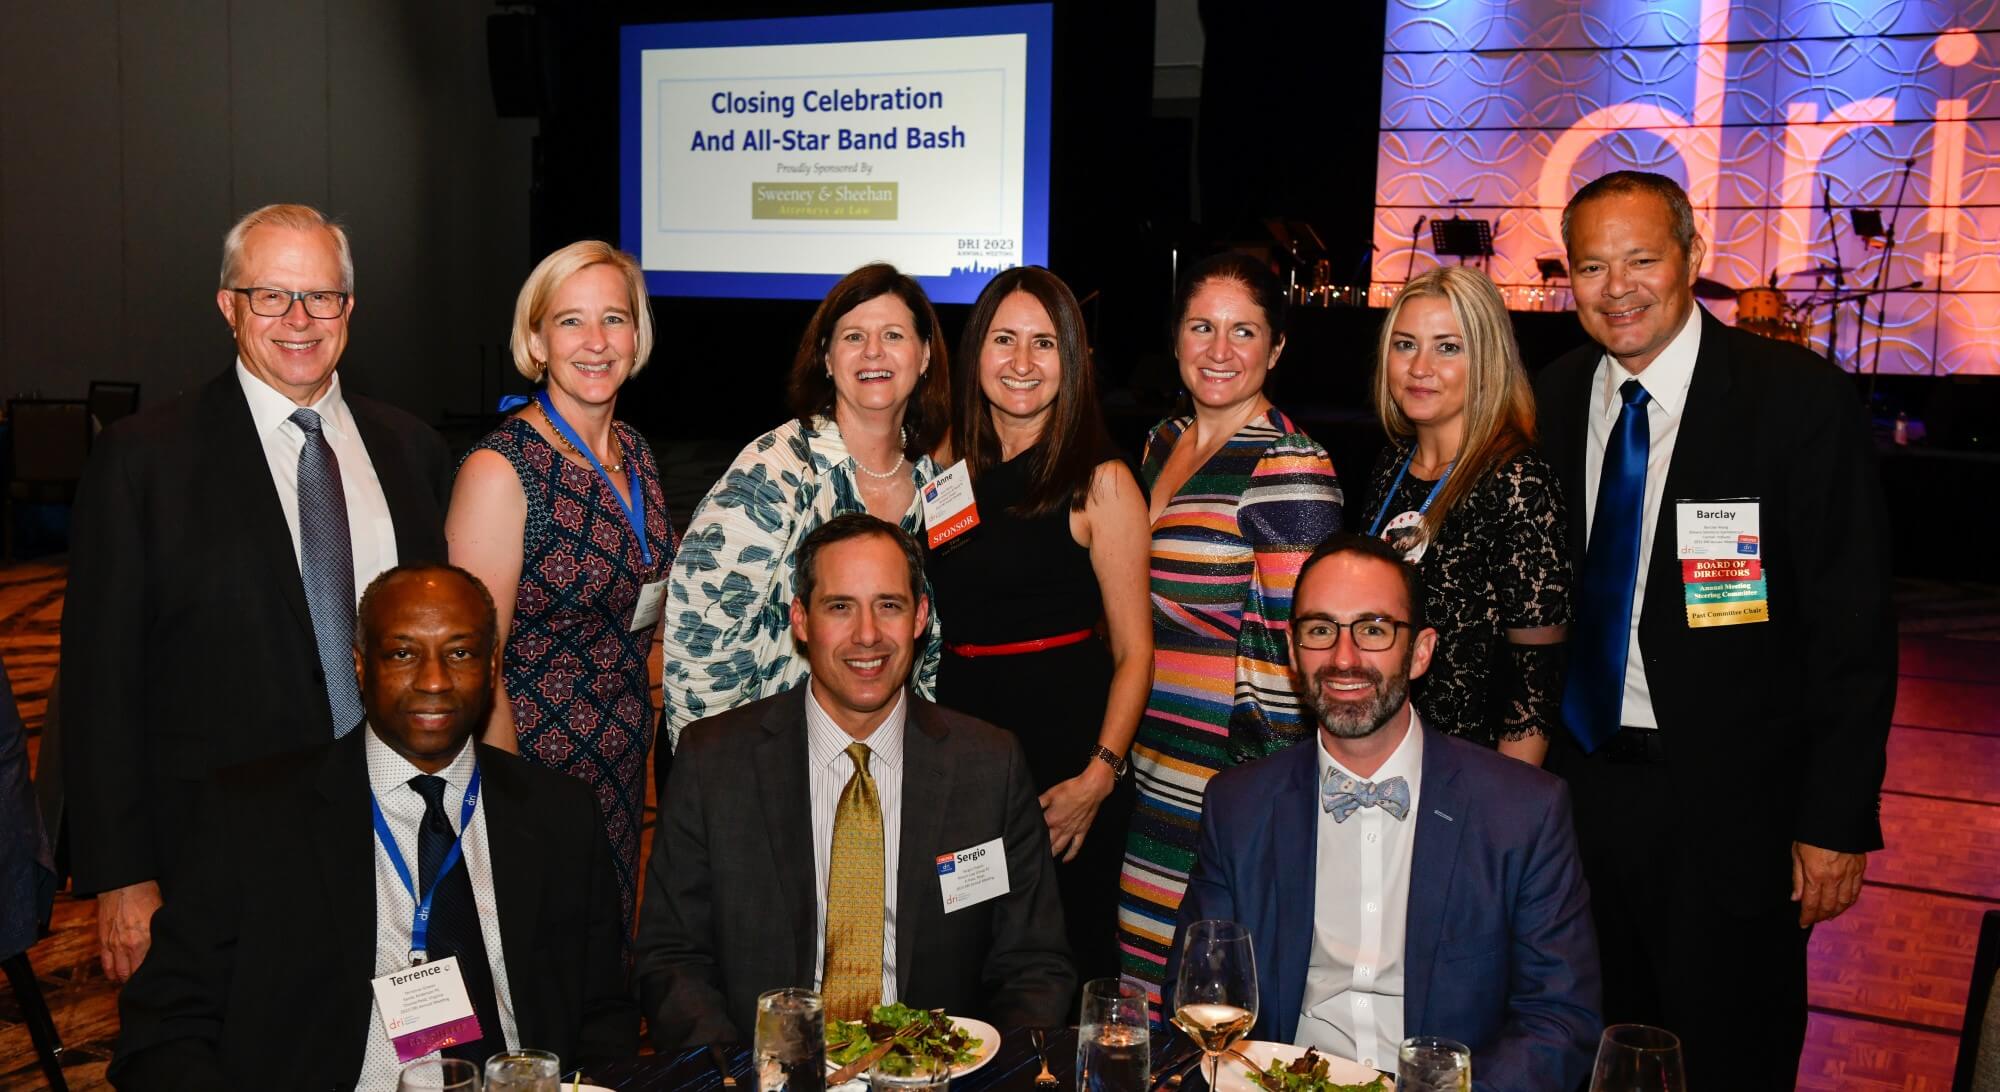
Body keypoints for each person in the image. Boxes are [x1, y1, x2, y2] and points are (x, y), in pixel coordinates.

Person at [1536, 170, 1894, 1086]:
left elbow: (1851, 629)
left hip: (1734, 819)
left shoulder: (1793, 400)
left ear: (1693, 257)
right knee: (1589, 1051)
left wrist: (1835, 821)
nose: (1617, 289)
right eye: (1590, 267)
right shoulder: (1554, 399)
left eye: (1641, 259)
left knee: (1730, 1057)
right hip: (1579, 803)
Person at [60, 203, 454, 982]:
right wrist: (122, 875)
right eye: (271, 295)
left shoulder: (411, 450)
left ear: (349, 309)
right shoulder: (144, 461)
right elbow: (100, 681)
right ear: (228, 306)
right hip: (216, 858)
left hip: (397, 833)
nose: (299, 319)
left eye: (321, 296)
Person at [109, 564, 637, 1090]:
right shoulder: (253, 816)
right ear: (361, 667)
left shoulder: (560, 813)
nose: (434, 681)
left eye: (460, 652)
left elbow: (604, 1013)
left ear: (494, 665)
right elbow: (161, 1030)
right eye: (403, 653)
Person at [1167, 534, 1600, 1089]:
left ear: (1420, 652)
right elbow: (1202, 998)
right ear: (1294, 653)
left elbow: (1561, 1021)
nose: (1344, 658)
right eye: (1321, 630)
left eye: (1373, 630)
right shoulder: (1239, 806)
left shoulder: (1523, 811)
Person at [636, 514, 1074, 1047]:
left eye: (889, 605)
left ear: (920, 618)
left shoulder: (988, 765)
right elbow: (672, 958)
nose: (867, 635)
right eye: (840, 607)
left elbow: (1034, 964)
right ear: (801, 620)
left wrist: (980, 1074)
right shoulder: (715, 763)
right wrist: (741, 1076)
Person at [1117, 251, 1343, 1014]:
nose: (1219, 350)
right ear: (1175, 338)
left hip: (1222, 777)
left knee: (1203, 997)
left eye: (1243, 331)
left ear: (1275, 349)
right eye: (1201, 327)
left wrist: (1266, 805)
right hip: (1148, 761)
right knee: (1140, 986)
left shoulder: (1291, 463)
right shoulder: (1161, 442)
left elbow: (1300, 654)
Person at [446, 240, 677, 938]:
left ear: (637, 335)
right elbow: (473, 663)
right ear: (537, 339)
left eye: (615, 318)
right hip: (535, 782)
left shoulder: (633, 450)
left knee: (603, 979)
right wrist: (515, 811)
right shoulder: (501, 470)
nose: (597, 341)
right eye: (572, 321)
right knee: (543, 980)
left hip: (619, 774)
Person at [929, 267, 1151, 986]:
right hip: (964, 755)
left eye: (1044, 343)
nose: (1022, 363)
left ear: (1073, 361)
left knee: (1063, 954)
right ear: (975, 353)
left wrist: (1099, 776)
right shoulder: (943, 465)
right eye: (1003, 340)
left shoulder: (1102, 480)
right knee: (968, 943)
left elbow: (1135, 654)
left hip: (1064, 761)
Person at [659, 263, 950, 747]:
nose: (873, 351)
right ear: (828, 359)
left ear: (923, 356)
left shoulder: (934, 486)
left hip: (887, 758)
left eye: (894, 335)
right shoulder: (773, 471)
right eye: (854, 336)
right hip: (770, 765)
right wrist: (718, 776)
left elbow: (933, 644)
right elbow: (700, 642)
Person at [1362, 267, 1569, 764]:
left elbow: (1535, 685)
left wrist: (1499, 817)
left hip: (1468, 774)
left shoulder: (1517, 480)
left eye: (1448, 347)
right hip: (1380, 754)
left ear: (1487, 360)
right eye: (1405, 344)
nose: (1420, 367)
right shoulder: (1391, 465)